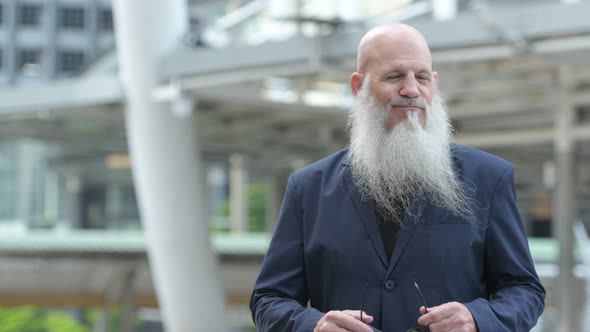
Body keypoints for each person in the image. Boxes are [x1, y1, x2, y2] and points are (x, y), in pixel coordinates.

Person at [250, 23, 545, 332]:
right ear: (358, 86)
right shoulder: (308, 188)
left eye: (421, 77)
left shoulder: (489, 178)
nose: (411, 90)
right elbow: (269, 299)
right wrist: (313, 325)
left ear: (434, 83)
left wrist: (478, 319)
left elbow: (525, 290)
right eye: (394, 77)